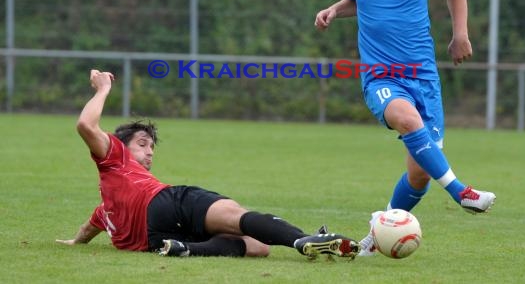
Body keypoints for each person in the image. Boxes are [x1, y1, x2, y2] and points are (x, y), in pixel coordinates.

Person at [313, 0, 496, 256]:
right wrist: (334, 10)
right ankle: (463, 193)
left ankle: (375, 234)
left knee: (419, 175)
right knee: (408, 121)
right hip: (381, 77)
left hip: (424, 78)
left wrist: (460, 34)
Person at [56, 69, 361, 260]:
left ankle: (186, 249)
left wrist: (75, 242)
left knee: (258, 248)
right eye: (142, 144)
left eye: (152, 147)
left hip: (154, 239)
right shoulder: (114, 157)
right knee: (236, 215)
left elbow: (89, 227)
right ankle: (303, 238)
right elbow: (85, 124)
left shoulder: (108, 210)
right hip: (164, 203)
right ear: (121, 146)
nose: (150, 152)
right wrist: (103, 89)